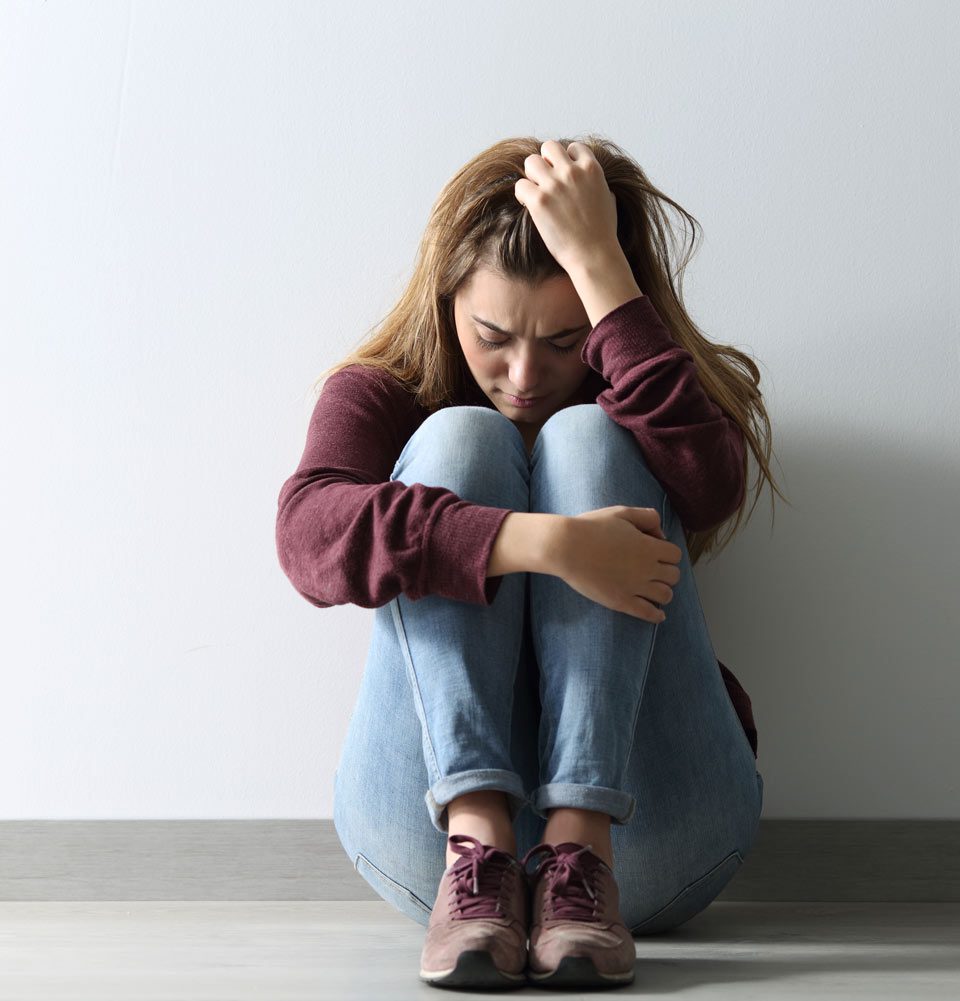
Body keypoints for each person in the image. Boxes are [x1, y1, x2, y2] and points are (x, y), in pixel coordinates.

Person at [275, 135, 787, 991]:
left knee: (588, 432)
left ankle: (580, 847)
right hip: (427, 843)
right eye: (493, 335)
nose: (523, 374)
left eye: (565, 341)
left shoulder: (640, 384)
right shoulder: (384, 392)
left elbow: (712, 482)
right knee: (459, 436)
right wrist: (542, 541)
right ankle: (479, 842)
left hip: (655, 835)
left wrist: (601, 262)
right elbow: (304, 534)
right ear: (447, 305)